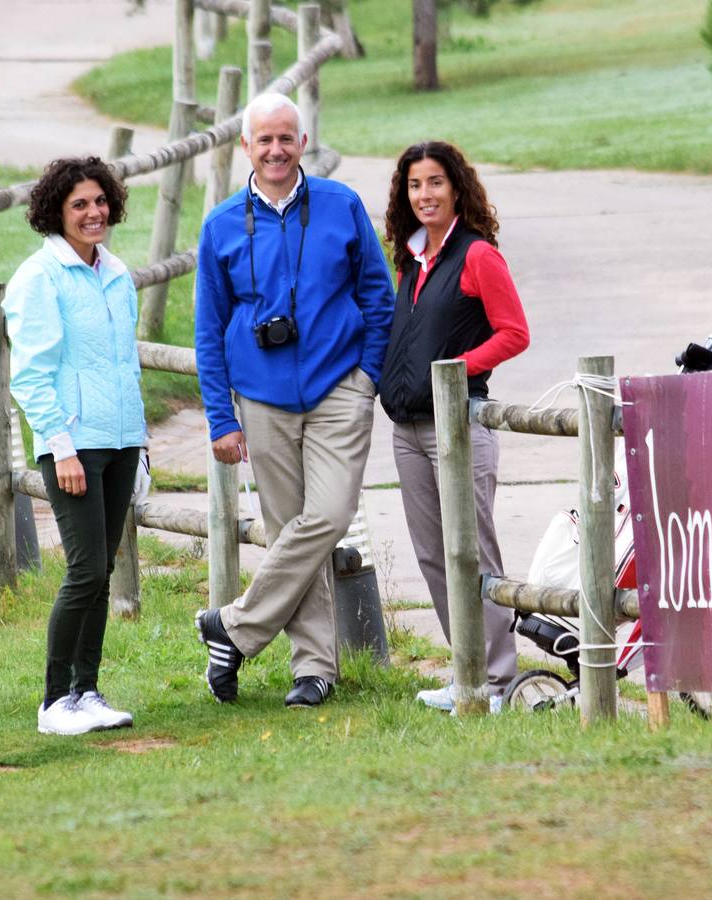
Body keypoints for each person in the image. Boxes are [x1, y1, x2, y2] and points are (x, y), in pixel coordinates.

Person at [194, 92, 395, 708]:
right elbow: (208, 329)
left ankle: (233, 626)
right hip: (261, 397)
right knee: (289, 532)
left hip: (339, 388)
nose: (276, 150)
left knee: (329, 517)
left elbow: (378, 297)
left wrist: (366, 377)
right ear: (245, 149)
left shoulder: (341, 205)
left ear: (302, 143)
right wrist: (222, 418)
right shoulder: (222, 224)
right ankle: (314, 669)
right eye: (264, 141)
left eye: (286, 138)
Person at [381, 141, 530, 713]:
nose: (425, 195)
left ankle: (496, 682)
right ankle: (465, 670)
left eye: (436, 183)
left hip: (459, 427)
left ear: (457, 188)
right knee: (433, 556)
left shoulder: (477, 256)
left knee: (473, 554)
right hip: (408, 430)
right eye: (415, 185)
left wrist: (456, 370)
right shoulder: (412, 258)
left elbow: (514, 332)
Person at [4, 157, 147, 735]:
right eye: (78, 205)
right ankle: (52, 702)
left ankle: (86, 691)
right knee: (85, 570)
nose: (93, 213)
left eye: (99, 201)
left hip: (120, 441)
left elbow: (123, 365)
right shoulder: (38, 279)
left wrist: (140, 443)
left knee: (103, 569)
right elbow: (31, 375)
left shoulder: (116, 272)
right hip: (74, 446)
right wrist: (61, 447)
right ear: (56, 213)